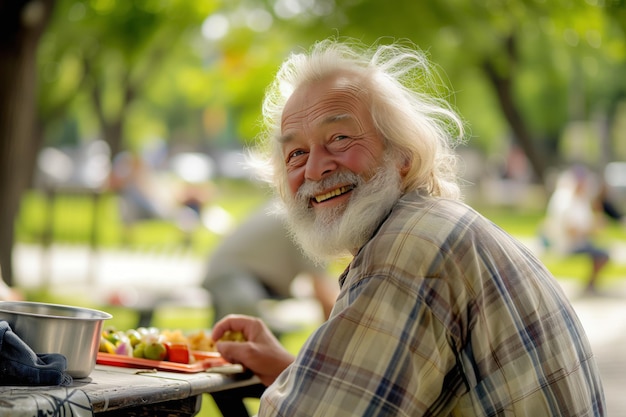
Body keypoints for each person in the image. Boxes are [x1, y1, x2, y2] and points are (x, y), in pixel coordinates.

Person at [211, 39, 605, 416]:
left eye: (340, 137)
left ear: (402, 154)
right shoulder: (427, 225)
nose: (315, 168)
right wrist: (291, 370)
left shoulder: (407, 248)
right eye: (296, 153)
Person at [203, 202, 338, 326]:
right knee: (241, 332)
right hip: (234, 277)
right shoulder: (308, 222)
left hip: (240, 276)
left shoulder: (290, 209)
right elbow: (322, 293)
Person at [543, 165, 610, 293]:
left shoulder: (579, 199)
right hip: (567, 243)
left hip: (576, 241)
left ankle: (590, 284)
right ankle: (590, 284)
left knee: (602, 251)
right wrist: (592, 229)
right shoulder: (565, 200)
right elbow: (571, 230)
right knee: (603, 255)